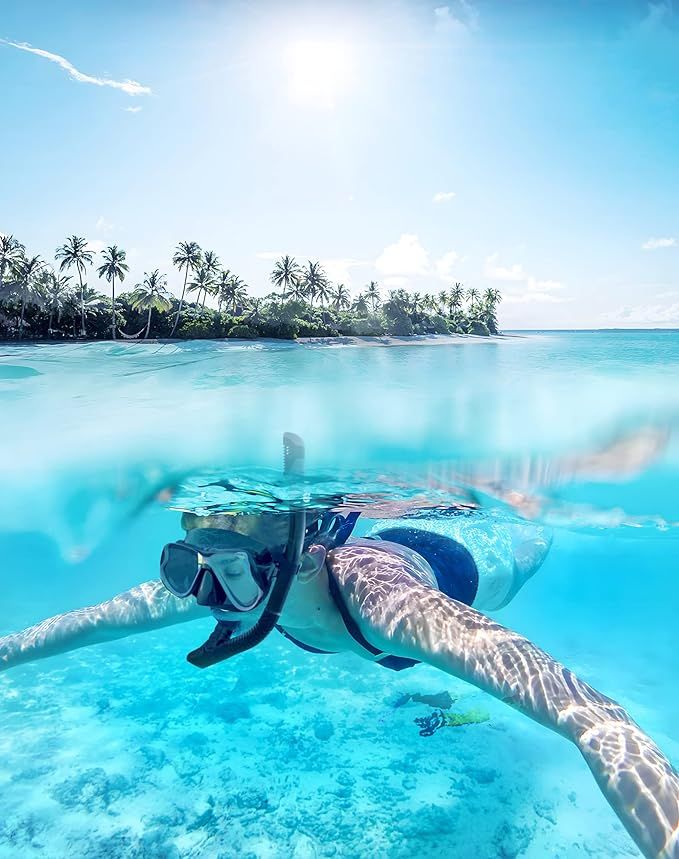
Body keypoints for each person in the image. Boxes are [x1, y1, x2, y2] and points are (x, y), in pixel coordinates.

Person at [1, 434, 677, 859]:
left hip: (466, 560)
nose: (199, 592)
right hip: (373, 548)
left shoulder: (387, 604)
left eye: (228, 568)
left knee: (525, 553)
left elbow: (589, 712)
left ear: (296, 558)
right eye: (194, 563)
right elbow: (82, 624)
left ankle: (535, 521)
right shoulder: (211, 578)